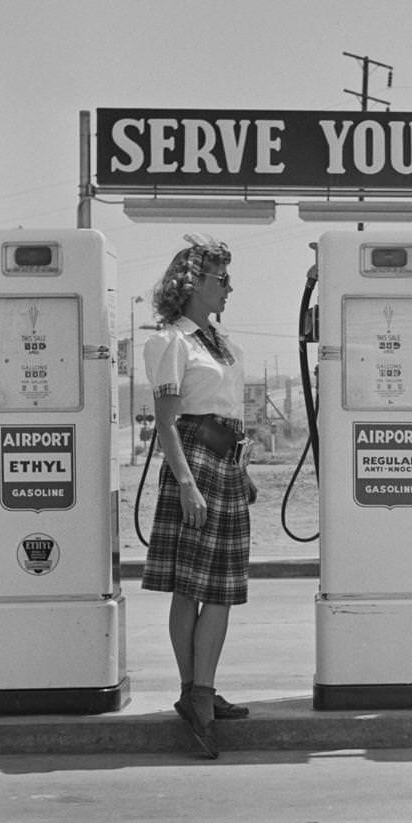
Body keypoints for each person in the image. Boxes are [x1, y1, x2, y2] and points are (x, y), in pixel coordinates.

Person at [141, 235, 256, 758]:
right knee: (191, 588)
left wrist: (243, 469)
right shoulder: (171, 341)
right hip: (193, 459)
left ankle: (199, 691)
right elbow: (165, 423)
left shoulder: (219, 341)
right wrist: (185, 483)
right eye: (221, 279)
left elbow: (229, 410)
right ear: (192, 285)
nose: (229, 288)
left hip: (225, 462)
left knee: (223, 587)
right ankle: (198, 694)